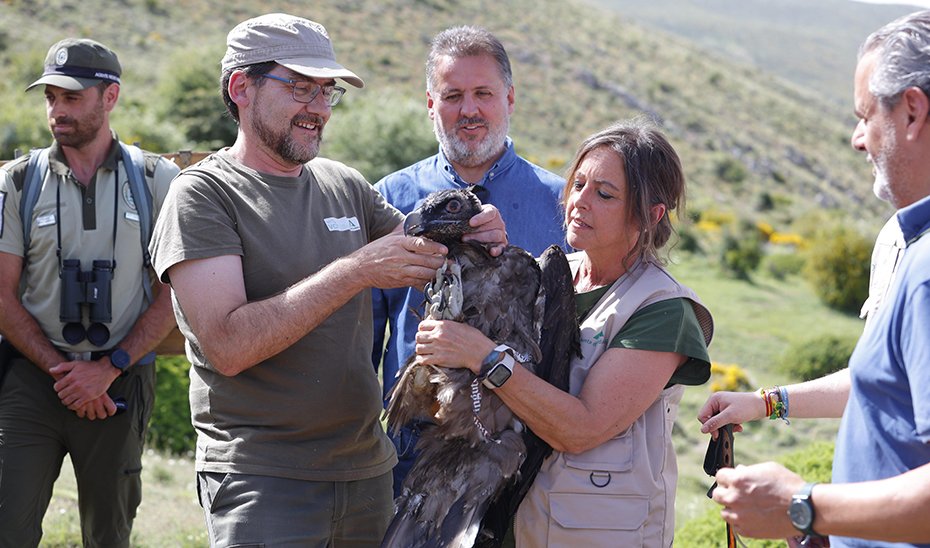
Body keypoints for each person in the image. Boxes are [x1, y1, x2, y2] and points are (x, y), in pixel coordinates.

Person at [147, 13, 506, 547]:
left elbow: (423, 252)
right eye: (299, 87)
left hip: (366, 474)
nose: (318, 107)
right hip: (265, 482)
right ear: (240, 87)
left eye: (326, 91)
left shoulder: (343, 183)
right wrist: (355, 270)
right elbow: (227, 345)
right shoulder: (202, 195)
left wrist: (476, 233)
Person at [413, 119, 714, 546]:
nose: (580, 202)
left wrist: (483, 355)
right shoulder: (552, 274)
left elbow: (581, 428)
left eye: (604, 194)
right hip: (520, 525)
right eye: (578, 185)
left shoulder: (663, 310)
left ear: (651, 215)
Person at [698, 10, 930, 547]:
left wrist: (803, 506)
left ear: (913, 111)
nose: (857, 138)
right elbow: (886, 383)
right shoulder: (907, 243)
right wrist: (766, 402)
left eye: (865, 115)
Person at [371, 24, 568, 496]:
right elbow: (361, 339)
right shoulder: (388, 200)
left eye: (484, 93)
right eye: (453, 95)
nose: (470, 109)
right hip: (409, 446)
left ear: (510, 98)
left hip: (526, 450)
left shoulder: (564, 206)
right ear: (430, 103)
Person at [0, 38, 179, 547]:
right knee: (7, 525)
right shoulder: (18, 181)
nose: (57, 110)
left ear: (110, 97)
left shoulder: (156, 179)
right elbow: (1, 296)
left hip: (120, 381)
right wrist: (65, 374)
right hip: (33, 381)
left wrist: (107, 368)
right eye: (50, 97)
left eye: (72, 97)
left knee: (109, 532)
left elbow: (176, 292)